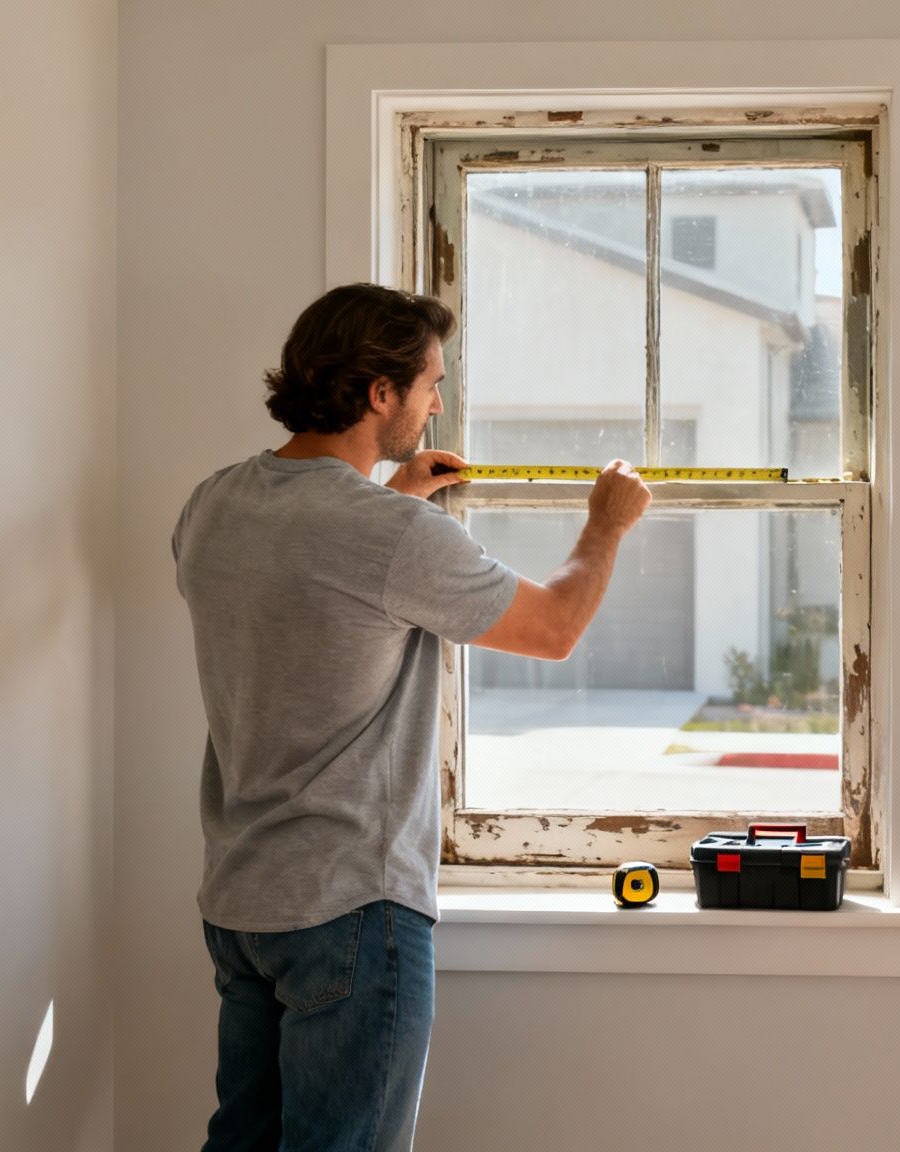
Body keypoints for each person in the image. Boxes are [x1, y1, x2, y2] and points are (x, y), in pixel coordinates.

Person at [173, 283, 652, 1151]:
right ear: (380, 391)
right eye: (431, 384)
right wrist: (605, 526)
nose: (438, 404)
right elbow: (553, 629)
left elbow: (312, 593)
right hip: (350, 907)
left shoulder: (214, 503)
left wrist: (395, 497)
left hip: (241, 905)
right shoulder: (391, 534)